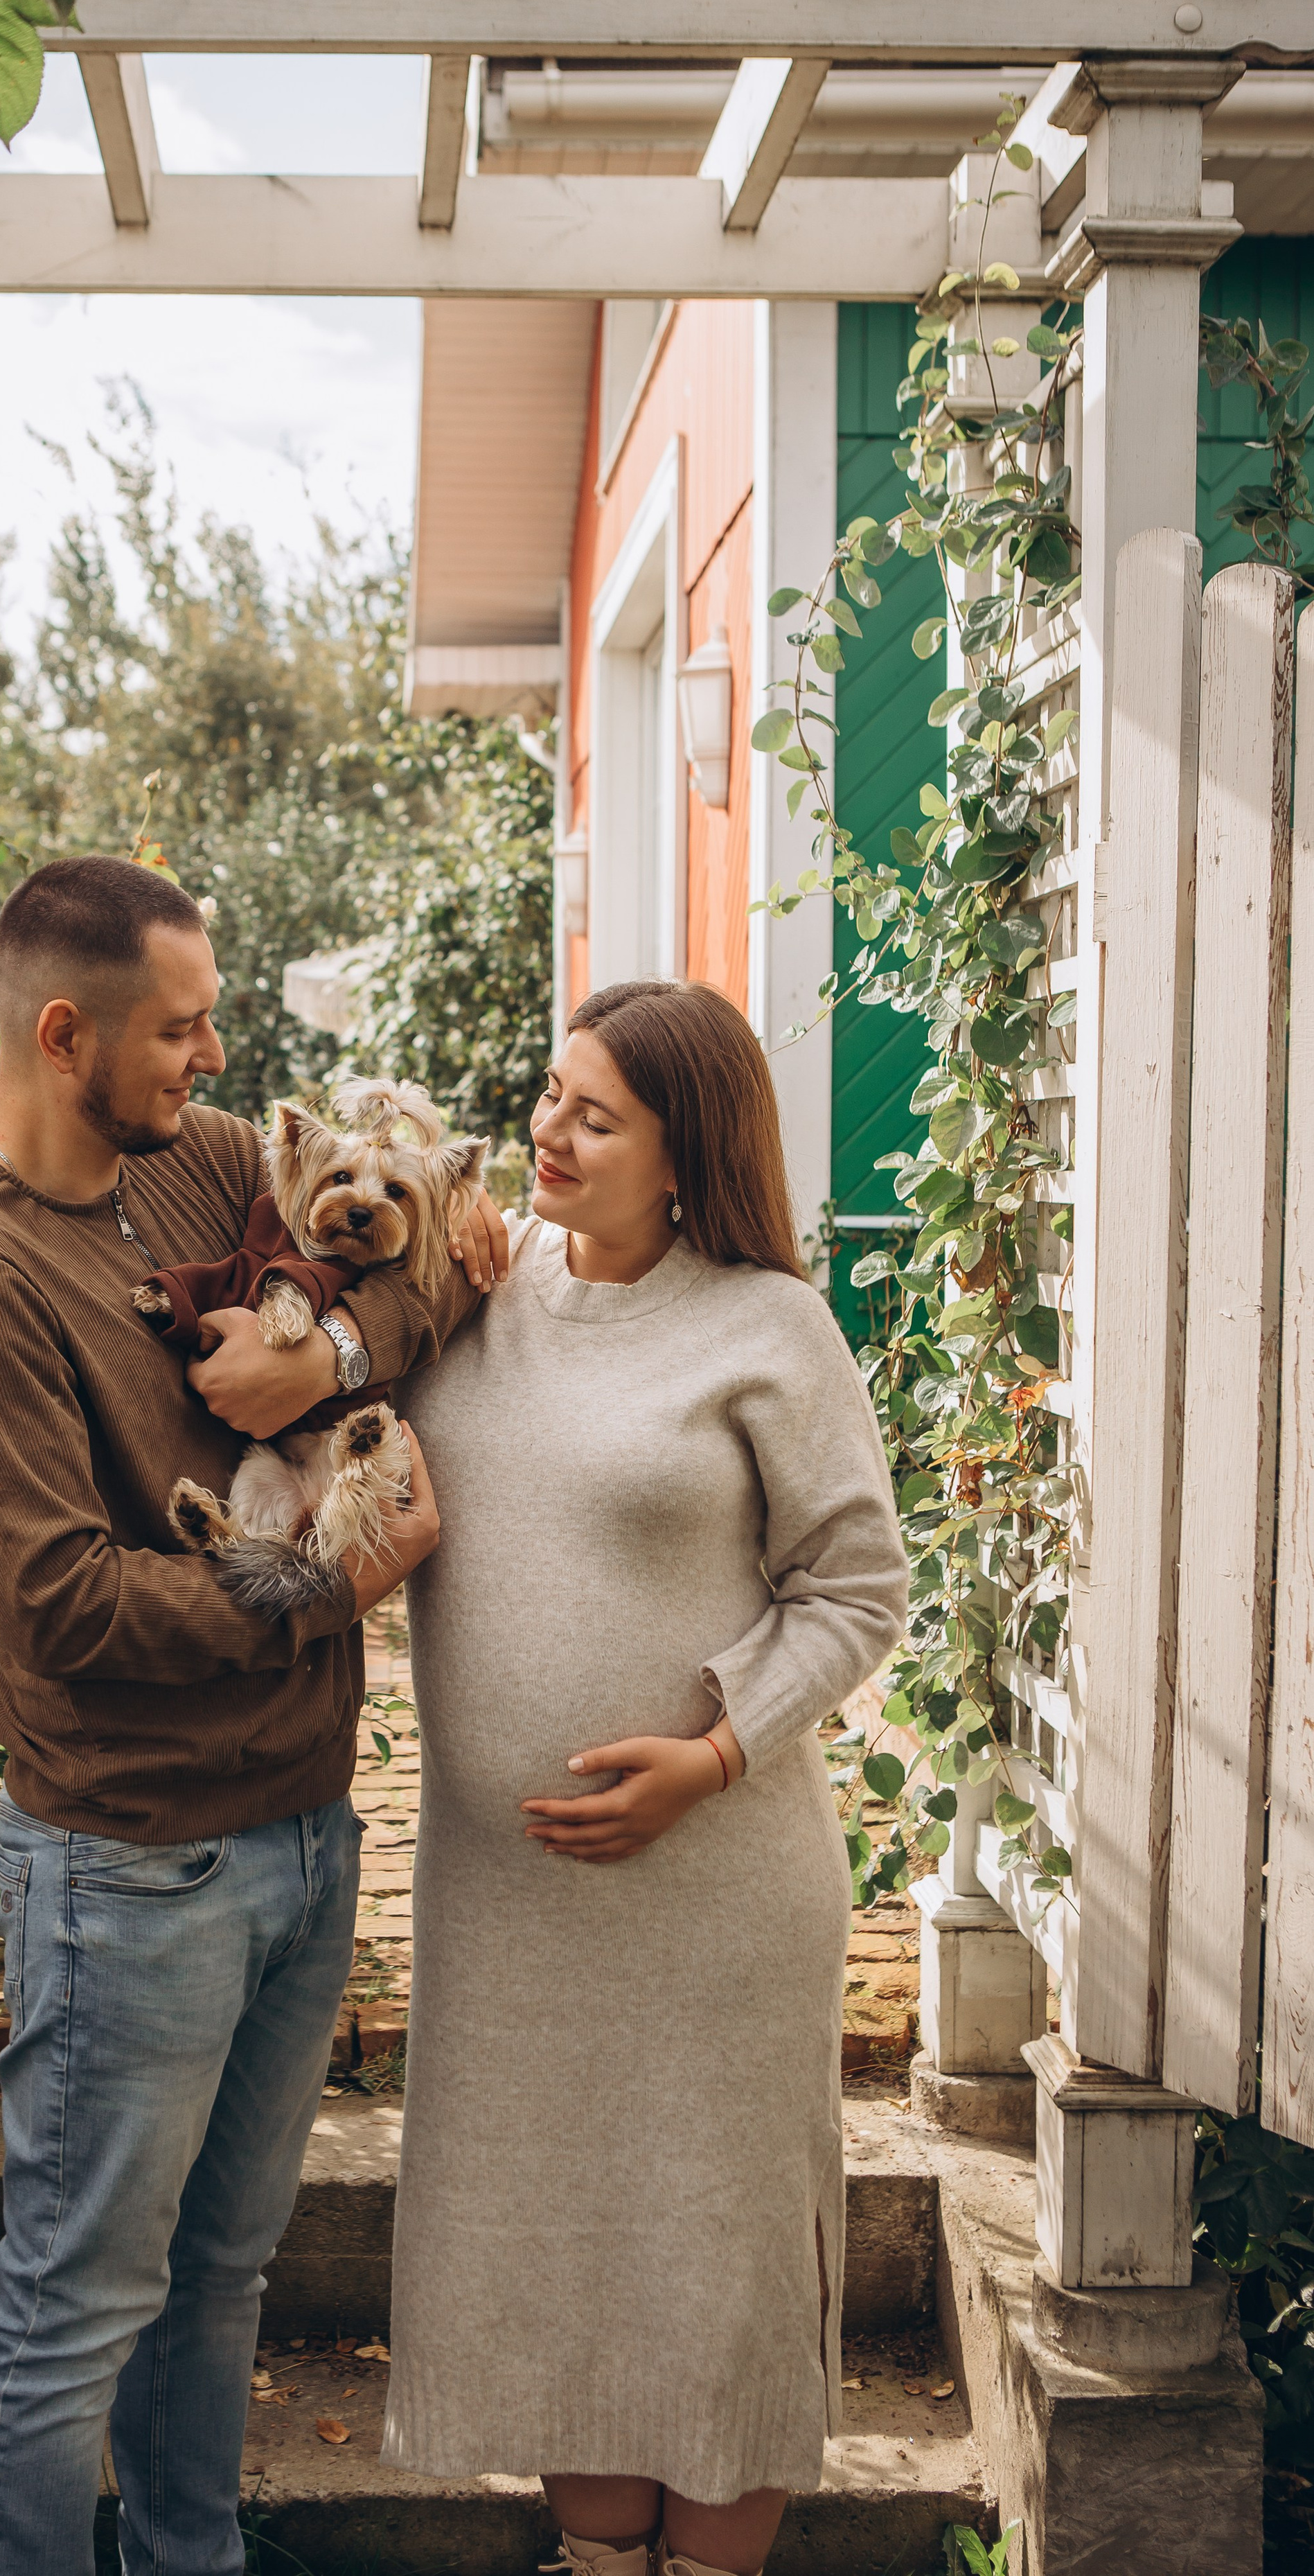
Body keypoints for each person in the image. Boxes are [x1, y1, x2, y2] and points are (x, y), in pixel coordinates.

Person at [0, 855, 500, 2576]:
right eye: (180, 1029)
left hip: (302, 1835)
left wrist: (334, 1365)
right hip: (129, 1868)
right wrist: (330, 1585)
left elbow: (442, 1265)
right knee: (78, 2303)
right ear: (63, 1032)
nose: (213, 1061)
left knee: (221, 2275)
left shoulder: (210, 1172)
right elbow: (62, 1604)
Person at [383, 978, 909, 2576]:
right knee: (555, 2272)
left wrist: (711, 1751)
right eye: (548, 1095)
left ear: (683, 1153)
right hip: (509, 1911)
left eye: (593, 1116)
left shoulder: (766, 1327)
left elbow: (857, 1589)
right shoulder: (470, 1288)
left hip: (711, 1906)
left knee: (711, 2271)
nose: (547, 1131)